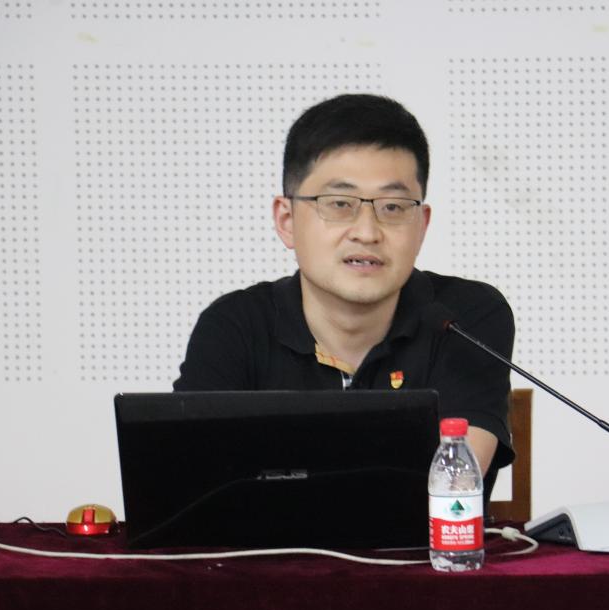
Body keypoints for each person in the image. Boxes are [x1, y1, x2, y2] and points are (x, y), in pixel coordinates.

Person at [173, 93, 514, 497]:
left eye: (393, 207)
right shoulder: (234, 327)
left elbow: (451, 487)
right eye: (339, 203)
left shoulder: (464, 319)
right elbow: (191, 489)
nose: (367, 232)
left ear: (421, 226)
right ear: (286, 220)